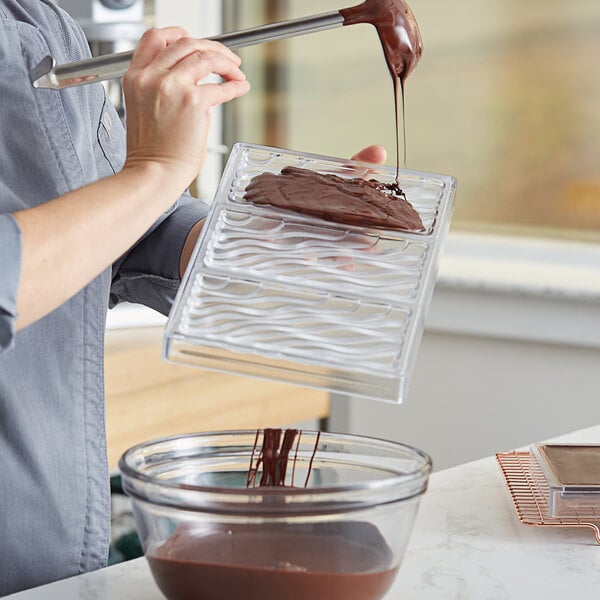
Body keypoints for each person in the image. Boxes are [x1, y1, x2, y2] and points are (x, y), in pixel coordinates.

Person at [0, 0, 387, 595]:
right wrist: (155, 169)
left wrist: (260, 237)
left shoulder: (40, 19)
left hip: (47, 545)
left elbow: (122, 225)